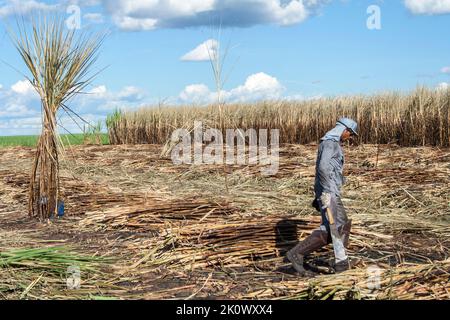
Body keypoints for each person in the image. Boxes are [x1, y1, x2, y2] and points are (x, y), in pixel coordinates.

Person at [287, 118, 358, 274]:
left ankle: (341, 260)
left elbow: (326, 170)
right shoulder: (330, 144)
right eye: (351, 134)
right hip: (329, 192)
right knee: (335, 226)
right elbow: (323, 168)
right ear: (344, 130)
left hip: (329, 191)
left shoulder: (331, 144)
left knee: (340, 225)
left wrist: (320, 192)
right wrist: (325, 193)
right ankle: (297, 254)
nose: (350, 138)